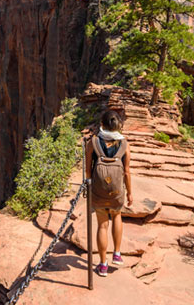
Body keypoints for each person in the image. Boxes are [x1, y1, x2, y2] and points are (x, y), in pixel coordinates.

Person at [85, 109, 133, 277]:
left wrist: (89, 187)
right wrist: (129, 194)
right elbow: (126, 171)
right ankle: (117, 254)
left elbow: (88, 170)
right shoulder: (124, 143)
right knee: (117, 216)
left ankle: (103, 265)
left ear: (102, 124)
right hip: (117, 191)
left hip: (98, 190)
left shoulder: (94, 141)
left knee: (102, 225)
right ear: (118, 126)